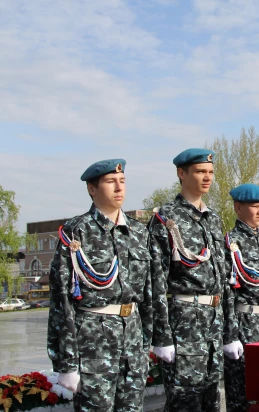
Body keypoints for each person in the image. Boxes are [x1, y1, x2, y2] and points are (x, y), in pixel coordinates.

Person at [47, 159, 153, 411]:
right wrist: (66, 363)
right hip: (94, 345)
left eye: (122, 181)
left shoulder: (138, 232)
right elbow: (62, 300)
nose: (119, 188)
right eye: (110, 182)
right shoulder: (76, 232)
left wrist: (147, 344)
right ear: (91, 189)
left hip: (133, 344)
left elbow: (148, 295)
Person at [148, 148, 237, 411]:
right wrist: (162, 336)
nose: (207, 177)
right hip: (184, 322)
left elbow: (223, 278)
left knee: (212, 400)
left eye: (210, 172)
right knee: (183, 403)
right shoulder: (166, 218)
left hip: (212, 322)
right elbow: (157, 281)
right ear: (181, 173)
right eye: (200, 172)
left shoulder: (213, 218)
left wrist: (229, 332)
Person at [223, 184, 259, 412]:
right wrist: (230, 335)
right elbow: (228, 293)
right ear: (238, 208)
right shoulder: (230, 243)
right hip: (245, 325)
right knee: (244, 394)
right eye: (255, 206)